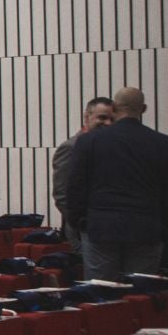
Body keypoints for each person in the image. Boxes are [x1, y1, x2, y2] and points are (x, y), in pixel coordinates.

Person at [65, 85, 168, 279]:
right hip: (146, 229)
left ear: (114, 108)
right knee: (140, 293)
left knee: (101, 293)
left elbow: (74, 188)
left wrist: (80, 223)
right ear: (143, 109)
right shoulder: (165, 144)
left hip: (100, 228)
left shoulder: (89, 142)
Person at [51, 96, 116, 261]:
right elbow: (61, 194)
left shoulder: (113, 147)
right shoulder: (70, 147)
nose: (108, 123)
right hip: (81, 231)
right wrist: (81, 224)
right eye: (102, 117)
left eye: (112, 119)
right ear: (86, 117)